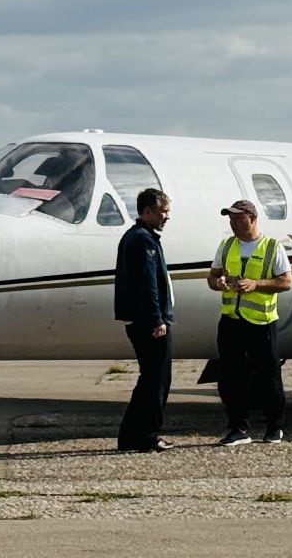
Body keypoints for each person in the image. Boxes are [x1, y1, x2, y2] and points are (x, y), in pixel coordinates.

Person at [205, 198, 292, 446]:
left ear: (252, 219)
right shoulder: (226, 246)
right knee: (230, 376)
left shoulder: (272, 247)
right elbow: (212, 277)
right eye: (230, 219)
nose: (233, 223)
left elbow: (285, 282)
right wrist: (217, 282)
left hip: (261, 322)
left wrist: (256, 284)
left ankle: (274, 427)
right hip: (231, 319)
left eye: (238, 218)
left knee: (268, 377)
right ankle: (238, 428)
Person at [113, 187, 174, 452]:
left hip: (141, 320)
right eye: (163, 211)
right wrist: (156, 320)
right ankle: (148, 435)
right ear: (147, 211)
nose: (167, 217)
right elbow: (147, 284)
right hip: (149, 322)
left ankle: (130, 436)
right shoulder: (143, 240)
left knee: (149, 378)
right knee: (157, 380)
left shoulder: (138, 237)